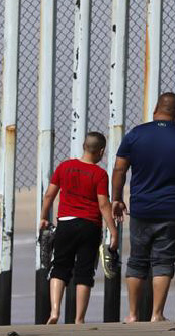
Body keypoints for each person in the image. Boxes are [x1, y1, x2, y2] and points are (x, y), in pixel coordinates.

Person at [111, 92, 175, 323]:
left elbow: (119, 170)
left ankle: (133, 314)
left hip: (141, 209)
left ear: (156, 107)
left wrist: (116, 198)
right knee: (164, 260)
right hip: (171, 211)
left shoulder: (135, 135)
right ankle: (157, 314)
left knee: (137, 259)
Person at [38, 131, 118, 324]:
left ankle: (55, 312)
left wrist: (42, 217)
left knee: (59, 267)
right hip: (90, 226)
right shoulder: (100, 174)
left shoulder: (64, 167)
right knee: (84, 271)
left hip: (66, 223)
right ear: (101, 151)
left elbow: (49, 195)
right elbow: (103, 204)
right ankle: (79, 319)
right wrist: (113, 231)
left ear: (83, 146)